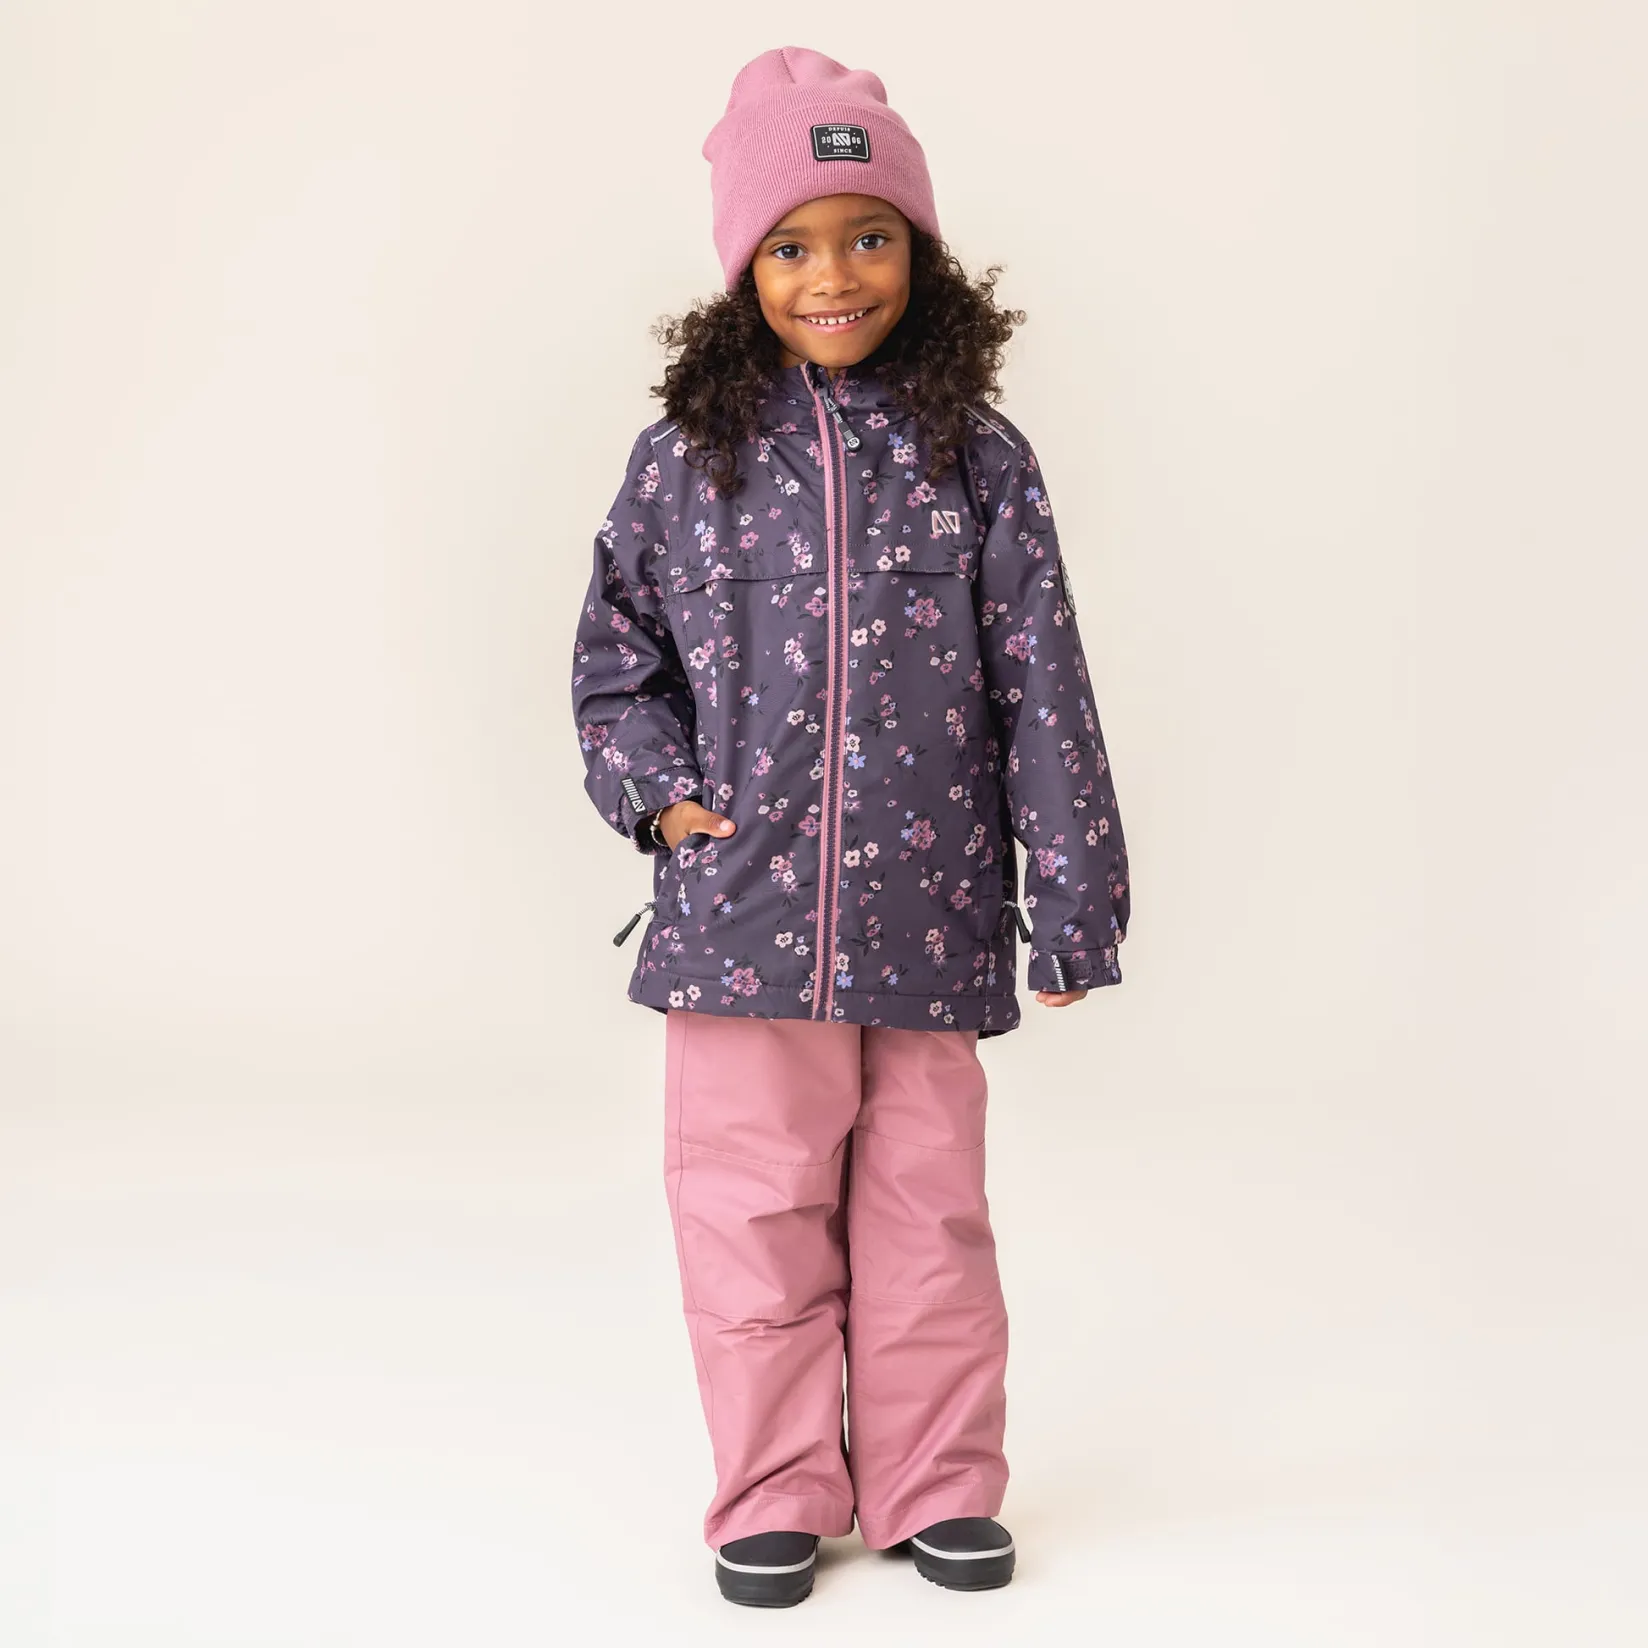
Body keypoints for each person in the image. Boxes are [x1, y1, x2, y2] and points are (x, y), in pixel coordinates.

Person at [570, 45, 1132, 1608]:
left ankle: (936, 1483)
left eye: (870, 235)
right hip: (739, 924)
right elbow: (616, 662)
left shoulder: (978, 460)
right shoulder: (686, 463)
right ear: (742, 269)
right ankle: (771, 1488)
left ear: (921, 252)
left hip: (929, 918)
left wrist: (1074, 898)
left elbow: (1044, 685)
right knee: (751, 1216)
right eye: (793, 246)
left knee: (927, 1217)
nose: (834, 276)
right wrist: (660, 797)